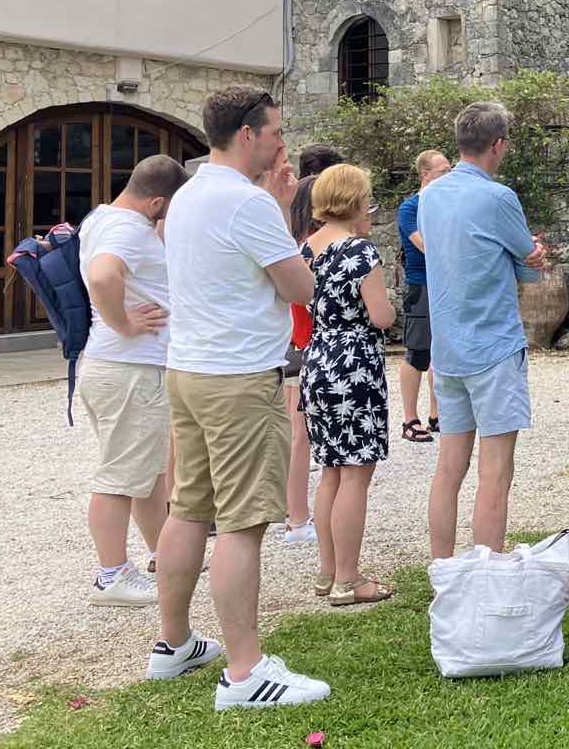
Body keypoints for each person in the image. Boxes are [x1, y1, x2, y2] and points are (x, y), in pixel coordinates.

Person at [154, 85, 328, 709]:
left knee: (188, 509)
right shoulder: (247, 204)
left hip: (189, 371)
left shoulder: (188, 195)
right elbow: (301, 285)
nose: (283, 142)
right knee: (244, 523)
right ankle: (245, 671)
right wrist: (281, 208)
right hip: (238, 378)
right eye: (276, 131)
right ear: (248, 134)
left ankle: (174, 645)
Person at [419, 101, 550, 560]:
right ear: (499, 145)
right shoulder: (498, 197)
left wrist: (523, 256)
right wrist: (533, 256)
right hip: (493, 346)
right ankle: (487, 570)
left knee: (449, 467)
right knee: (496, 471)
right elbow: (528, 263)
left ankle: (444, 568)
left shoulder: (430, 195)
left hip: (448, 346)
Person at [77, 154, 189, 607]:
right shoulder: (127, 229)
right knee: (120, 475)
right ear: (156, 201)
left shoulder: (102, 218)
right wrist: (123, 323)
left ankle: (164, 555)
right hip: (131, 369)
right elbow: (103, 275)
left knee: (146, 472)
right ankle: (111, 574)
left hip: (118, 368)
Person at [300, 164, 396, 605]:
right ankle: (349, 578)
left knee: (331, 474)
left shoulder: (307, 248)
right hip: (354, 362)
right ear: (355, 201)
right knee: (357, 473)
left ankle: (326, 571)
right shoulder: (360, 252)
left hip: (317, 360)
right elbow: (381, 317)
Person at [397, 149, 450, 444]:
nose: (448, 177)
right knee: (417, 353)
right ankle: (409, 418)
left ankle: (436, 414)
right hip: (422, 287)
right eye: (443, 172)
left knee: (441, 353)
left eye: (450, 170)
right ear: (425, 175)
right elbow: (423, 245)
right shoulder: (409, 208)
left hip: (445, 285)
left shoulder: (447, 205)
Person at [282, 175, 321, 547]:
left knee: (299, 438)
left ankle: (296, 515)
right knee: (300, 439)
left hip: (297, 345)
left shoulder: (295, 246)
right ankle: (296, 518)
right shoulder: (309, 249)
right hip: (304, 346)